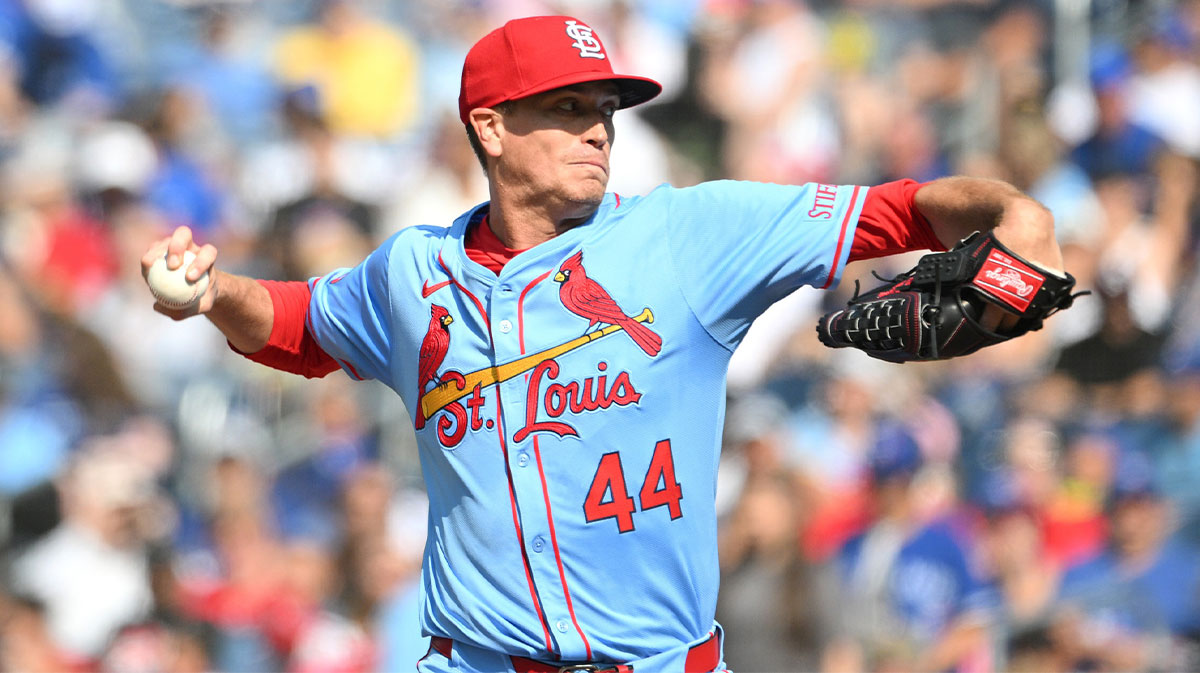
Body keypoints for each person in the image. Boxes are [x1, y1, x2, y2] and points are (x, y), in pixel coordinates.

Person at [140, 15, 1068, 672]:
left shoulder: (692, 235)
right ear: (491, 127)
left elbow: (898, 210)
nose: (598, 128)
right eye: (568, 106)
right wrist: (213, 293)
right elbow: (300, 323)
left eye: (606, 108)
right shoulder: (409, 274)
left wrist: (1015, 214)